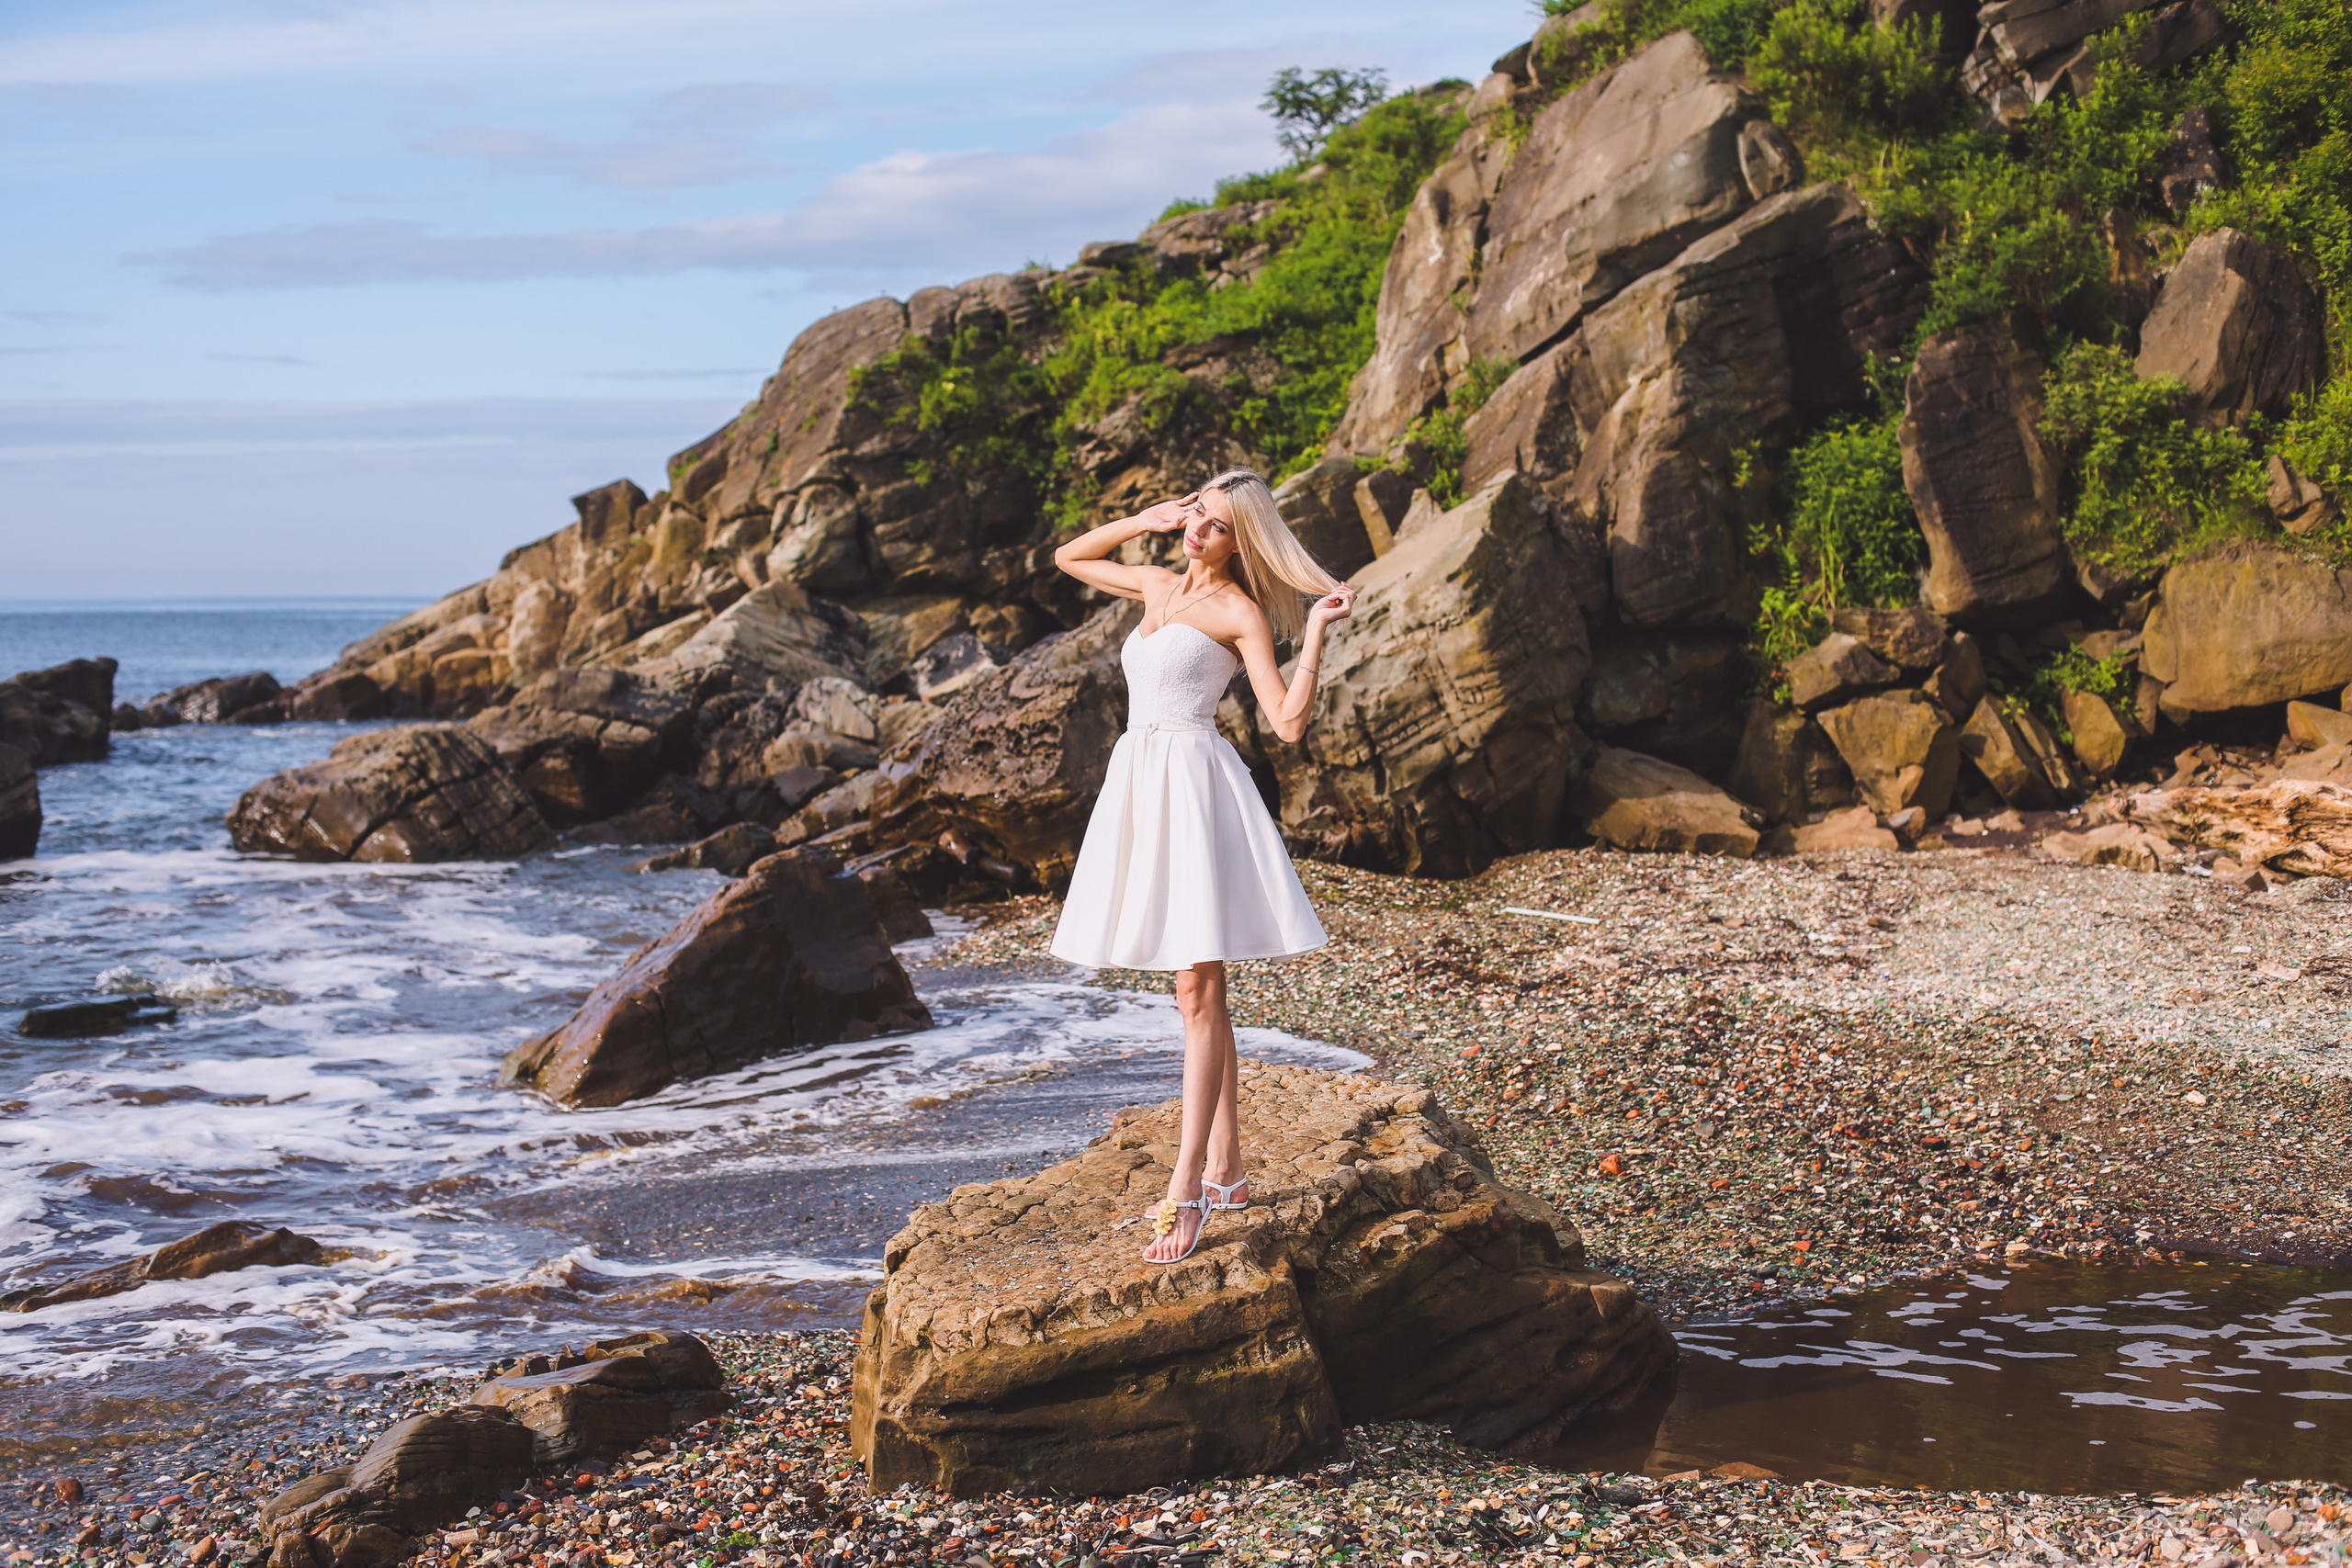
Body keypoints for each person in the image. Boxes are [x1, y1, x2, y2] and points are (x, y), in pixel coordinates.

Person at [1048, 468, 1360, 1264]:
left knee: (1198, 986)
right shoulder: (1154, 582)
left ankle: (1187, 1182)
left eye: (1217, 525)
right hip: (1140, 783)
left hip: (1195, 789)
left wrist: (1317, 629)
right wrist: (1141, 516)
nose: (1199, 532)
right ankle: (1228, 1162)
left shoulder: (1237, 610)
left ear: (1241, 539)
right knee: (1193, 989)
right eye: (1196, 516)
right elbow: (1069, 556)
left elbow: (1286, 723)